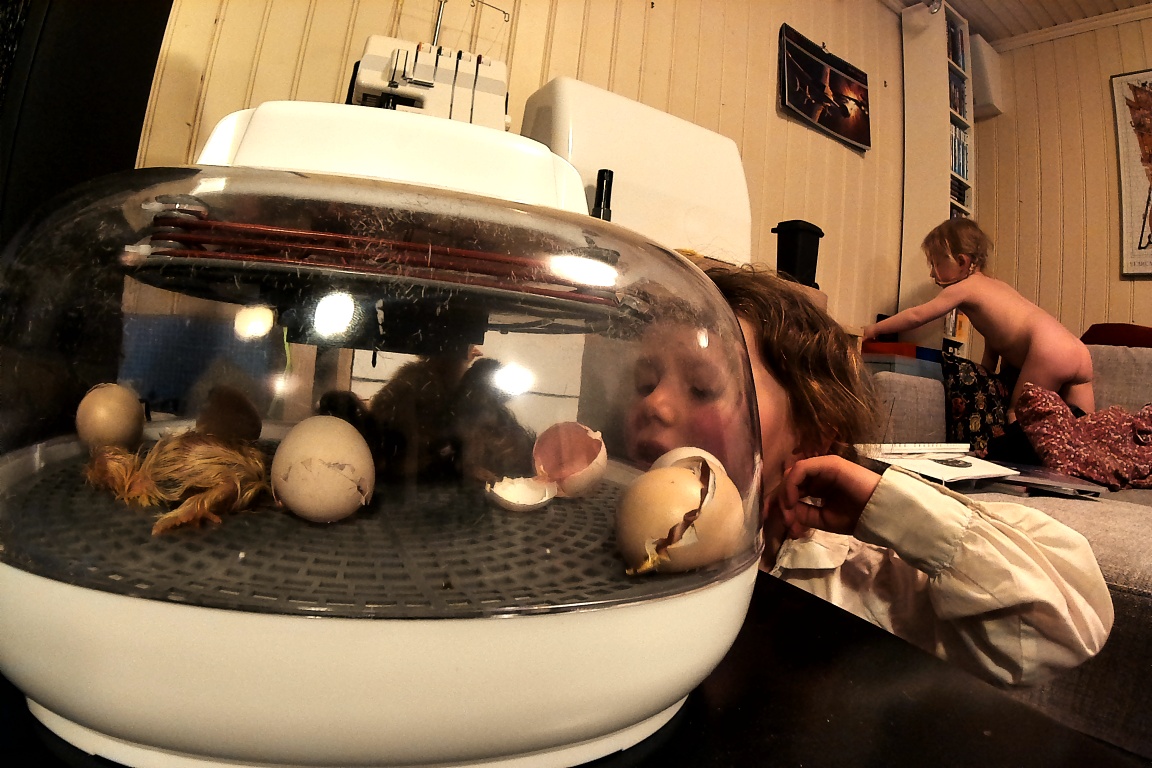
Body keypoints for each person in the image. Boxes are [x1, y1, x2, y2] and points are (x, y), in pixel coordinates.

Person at [644, 258, 1112, 687]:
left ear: (809, 439)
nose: (654, 404)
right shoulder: (620, 518)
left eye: (703, 387)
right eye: (643, 383)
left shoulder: (863, 574)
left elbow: (1062, 630)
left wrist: (891, 508)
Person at [862, 218, 1095, 414]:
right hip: (1077, 351)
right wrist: (986, 373)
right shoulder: (997, 286)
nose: (932, 273)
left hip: (1048, 349)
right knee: (1085, 429)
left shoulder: (965, 288)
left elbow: (917, 315)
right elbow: (996, 338)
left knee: (1017, 416)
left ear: (961, 261)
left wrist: (873, 330)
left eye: (935, 264)